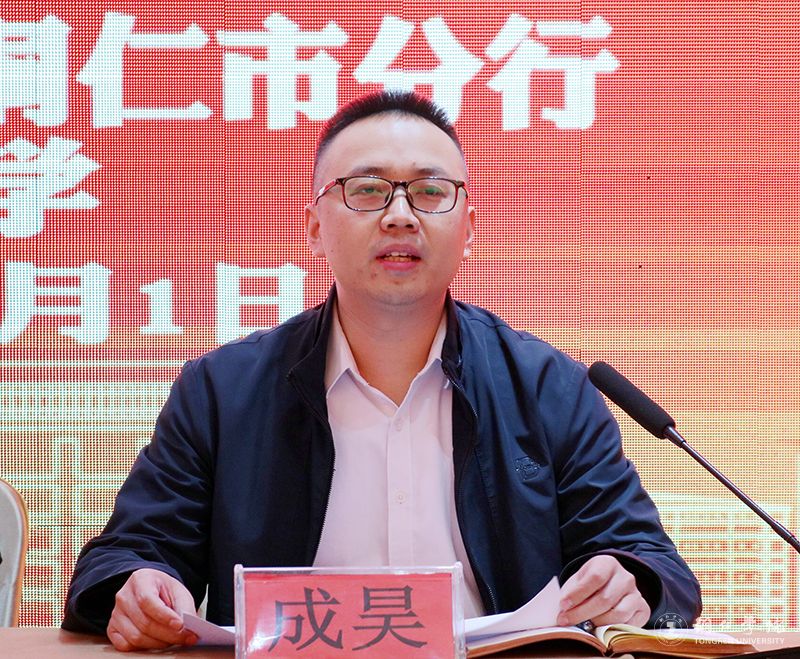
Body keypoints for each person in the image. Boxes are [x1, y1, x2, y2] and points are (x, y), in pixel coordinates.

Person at [63, 91, 702, 651]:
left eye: (430, 192)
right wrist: (141, 587)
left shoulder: (550, 388)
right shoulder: (221, 392)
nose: (401, 214)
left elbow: (655, 566)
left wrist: (631, 585)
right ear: (314, 227)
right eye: (367, 190)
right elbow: (124, 556)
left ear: (468, 229)